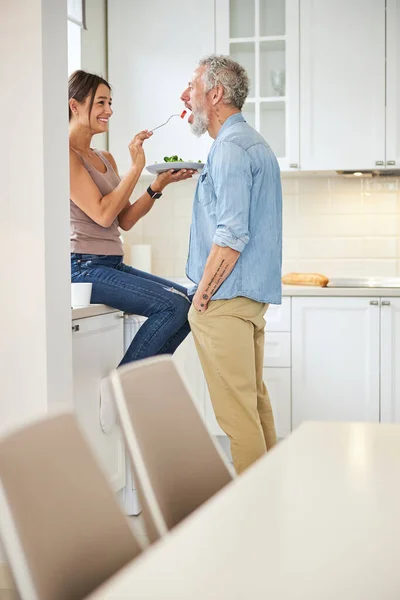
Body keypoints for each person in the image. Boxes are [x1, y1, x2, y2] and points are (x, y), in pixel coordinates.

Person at [180, 55, 282, 474]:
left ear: (215, 94)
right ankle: (272, 501)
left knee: (237, 421)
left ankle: (253, 522)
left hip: (224, 302)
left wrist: (201, 296)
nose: (184, 95)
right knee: (254, 410)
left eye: (192, 86)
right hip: (248, 303)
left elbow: (231, 235)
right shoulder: (253, 143)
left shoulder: (229, 150)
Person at [69, 70, 193, 365]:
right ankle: (123, 390)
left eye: (109, 103)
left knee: (190, 303)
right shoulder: (65, 156)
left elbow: (123, 220)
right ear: (75, 105)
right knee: (173, 306)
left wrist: (156, 186)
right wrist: (136, 167)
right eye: (100, 103)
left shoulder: (104, 158)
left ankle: (139, 385)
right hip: (82, 268)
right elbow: (102, 214)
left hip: (111, 263)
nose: (108, 111)